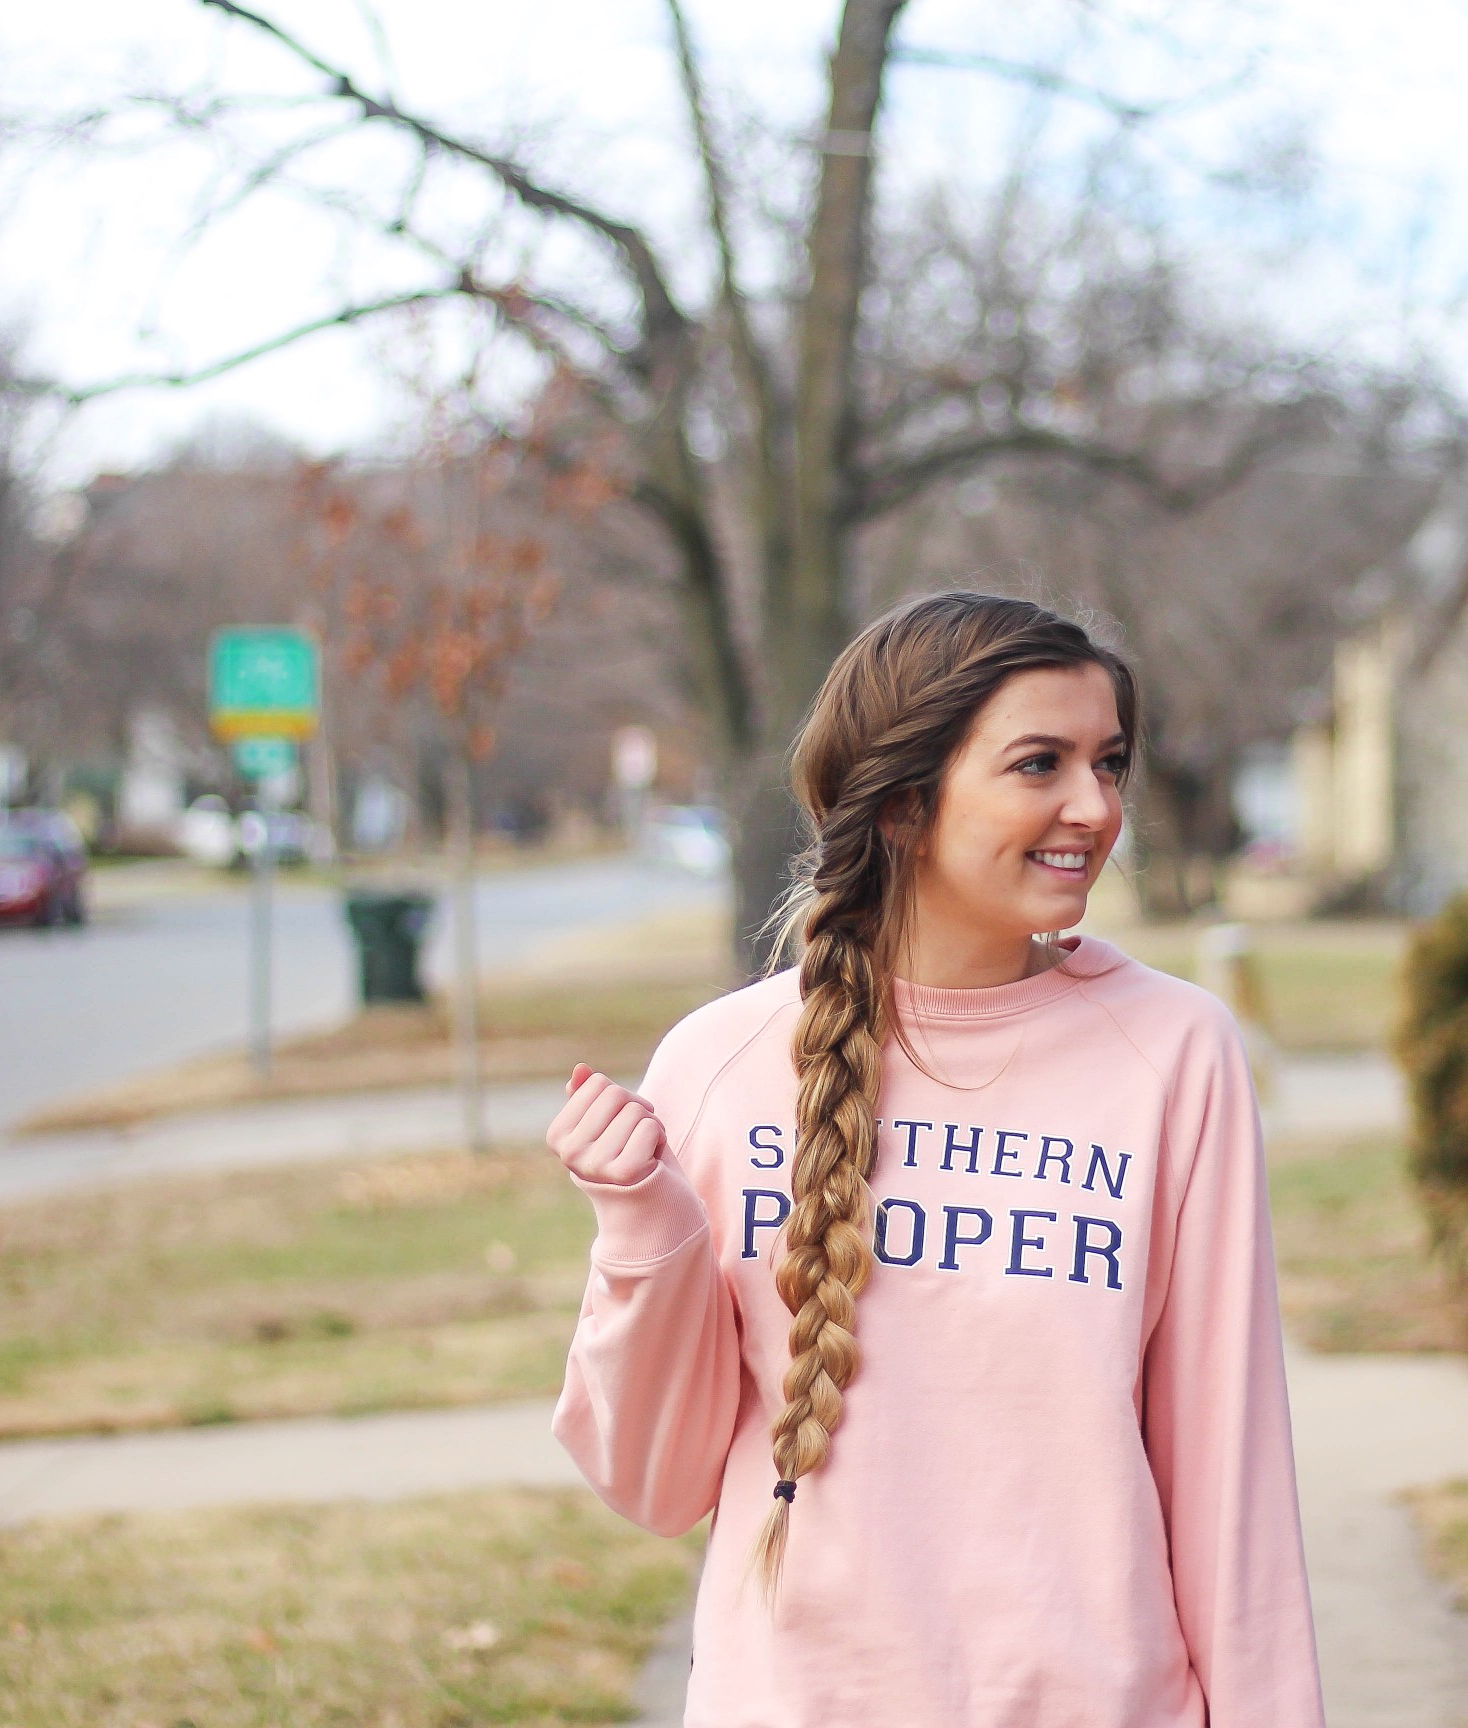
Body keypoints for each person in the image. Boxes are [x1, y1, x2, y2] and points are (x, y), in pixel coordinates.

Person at [545, 592, 1324, 1727]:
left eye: (1110, 763)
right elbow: (654, 1484)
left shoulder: (1172, 1054)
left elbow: (1230, 1471)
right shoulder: (724, 1061)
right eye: (1040, 763)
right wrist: (644, 1233)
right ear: (906, 801)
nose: (1093, 807)